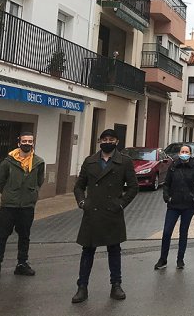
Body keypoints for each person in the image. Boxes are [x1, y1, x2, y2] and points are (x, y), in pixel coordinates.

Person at [71, 129, 139, 303]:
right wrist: (82, 202)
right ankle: (82, 287)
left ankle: (116, 285)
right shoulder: (90, 161)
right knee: (87, 251)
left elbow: (133, 187)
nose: (107, 141)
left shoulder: (124, 161)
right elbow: (79, 186)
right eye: (104, 139)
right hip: (92, 212)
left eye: (111, 139)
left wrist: (121, 203)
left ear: (116, 142)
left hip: (112, 212)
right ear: (100, 141)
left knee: (114, 250)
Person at [0, 131, 45, 281]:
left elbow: (39, 181)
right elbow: (0, 181)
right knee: (1, 237)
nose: (27, 143)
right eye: (24, 141)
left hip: (27, 206)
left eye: (30, 141)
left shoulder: (38, 162)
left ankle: (22, 264)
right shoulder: (8, 162)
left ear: (33, 143)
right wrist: (9, 194)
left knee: (25, 236)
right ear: (18, 142)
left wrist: (31, 195)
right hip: (9, 206)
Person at [155, 144, 194, 270]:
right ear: (179, 152)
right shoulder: (173, 166)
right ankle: (163, 259)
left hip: (189, 205)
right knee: (166, 232)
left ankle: (180, 259)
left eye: (186, 151)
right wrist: (167, 197)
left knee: (183, 232)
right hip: (173, 204)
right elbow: (166, 184)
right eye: (182, 151)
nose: (184, 153)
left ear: (190, 153)